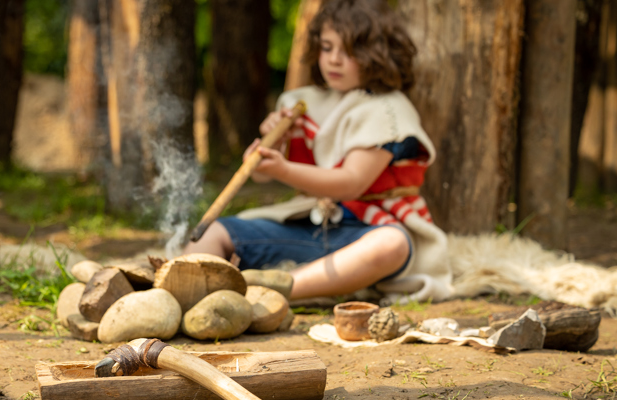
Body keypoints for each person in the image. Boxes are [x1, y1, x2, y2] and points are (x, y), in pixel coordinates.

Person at [184, 0, 453, 304]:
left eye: (349, 51)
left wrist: (283, 169)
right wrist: (272, 148)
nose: (334, 60)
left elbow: (351, 183)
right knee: (215, 232)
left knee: (392, 245)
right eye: (326, 48)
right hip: (309, 225)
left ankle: (273, 291)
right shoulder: (303, 101)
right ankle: (180, 290)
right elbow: (261, 176)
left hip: (367, 230)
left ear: (378, 54)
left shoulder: (388, 111)